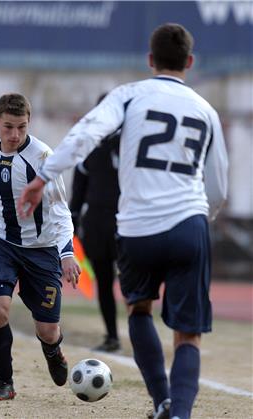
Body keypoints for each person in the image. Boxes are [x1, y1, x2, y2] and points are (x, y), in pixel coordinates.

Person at [18, 23, 228, 419]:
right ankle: (179, 412)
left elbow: (87, 133)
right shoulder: (207, 110)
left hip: (136, 228)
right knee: (189, 334)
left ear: (150, 60)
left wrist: (43, 177)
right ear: (190, 62)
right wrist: (202, 215)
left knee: (139, 310)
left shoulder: (130, 95)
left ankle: (163, 402)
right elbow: (218, 186)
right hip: (189, 224)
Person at [0, 93, 81, 400]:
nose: (15, 135)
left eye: (21, 127)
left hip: (41, 251)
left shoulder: (44, 157)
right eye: (8, 127)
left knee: (46, 330)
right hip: (1, 244)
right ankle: (5, 383)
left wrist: (67, 253)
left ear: (29, 122)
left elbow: (60, 210)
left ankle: (53, 349)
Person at [70, 92, 122, 352]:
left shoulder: (132, 142)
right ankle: (112, 335)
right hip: (101, 222)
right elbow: (79, 187)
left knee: (134, 280)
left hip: (125, 220)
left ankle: (124, 333)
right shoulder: (90, 143)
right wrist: (73, 220)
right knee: (104, 279)